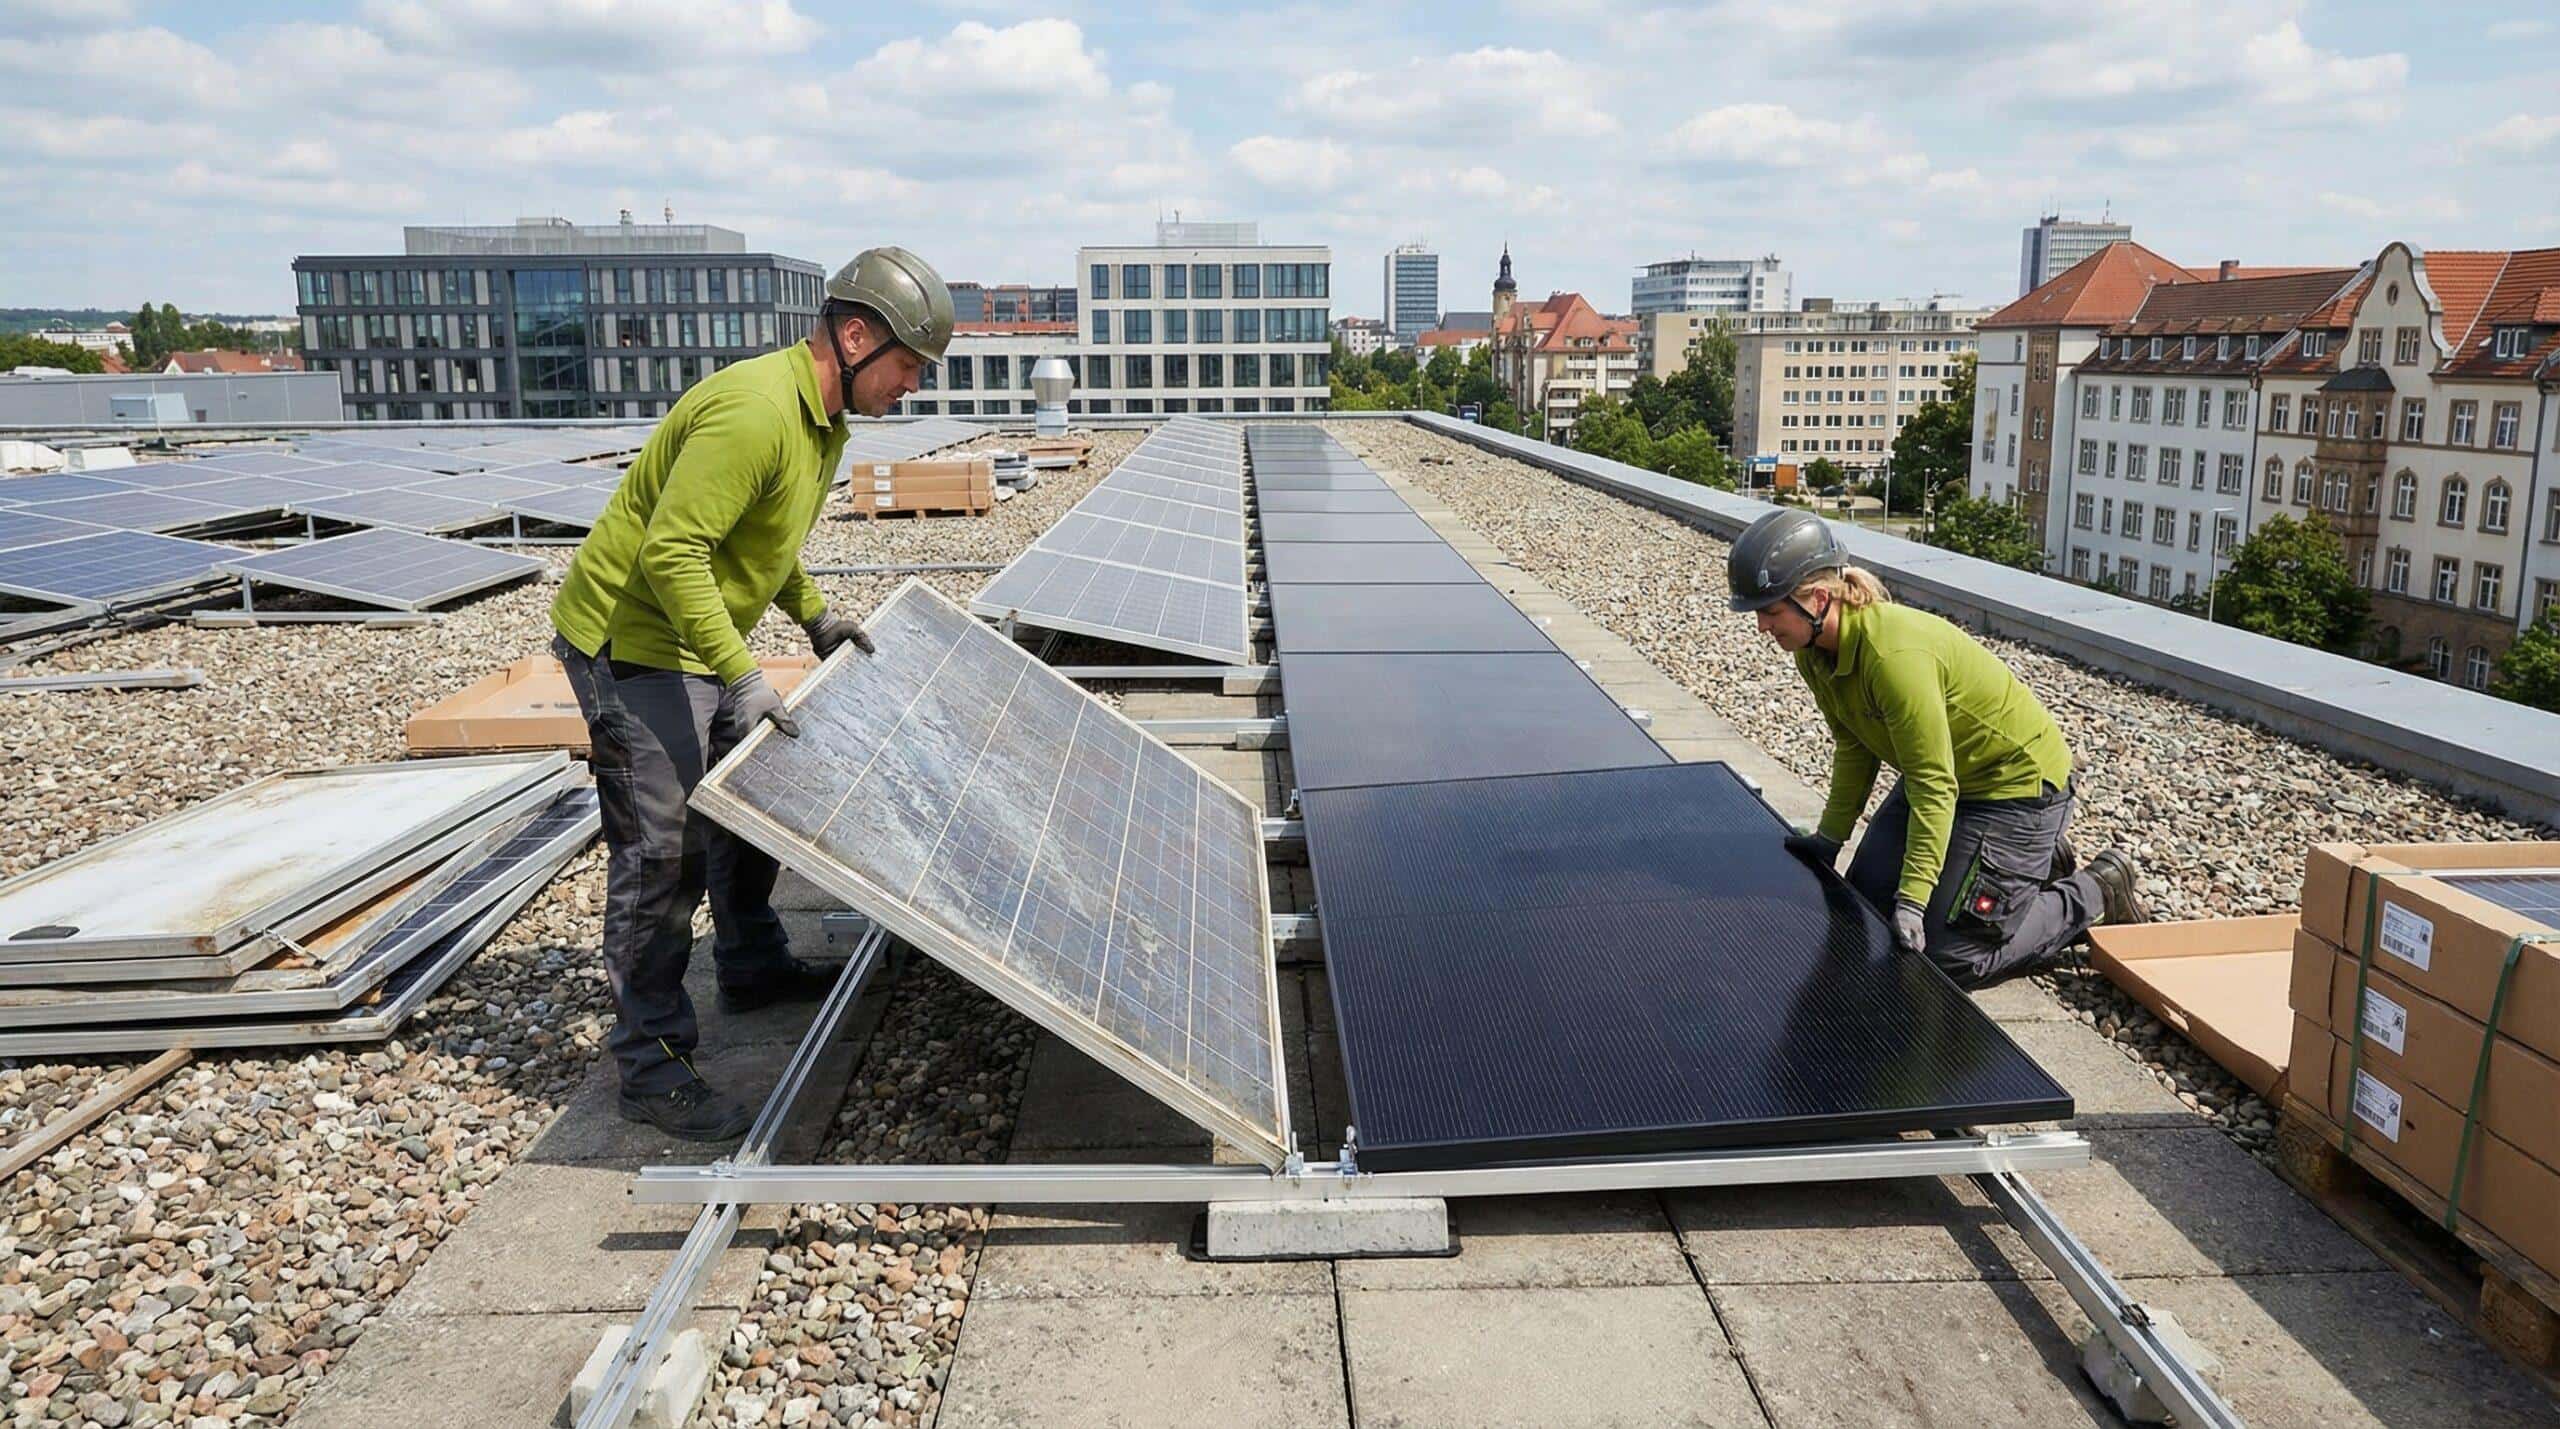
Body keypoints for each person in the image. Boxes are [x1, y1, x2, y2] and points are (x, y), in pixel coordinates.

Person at [548, 247, 954, 1139]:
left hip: (691, 633)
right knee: (665, 852)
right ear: (857, 338)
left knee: (749, 784)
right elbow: (672, 552)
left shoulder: (822, 421)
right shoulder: (757, 412)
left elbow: (760, 543)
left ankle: (749, 962)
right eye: (909, 365)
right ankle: (651, 1065)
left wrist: (815, 616)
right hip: (631, 642)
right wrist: (741, 672)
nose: (912, 387)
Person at [1726, 507, 2148, 988]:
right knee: (1865, 910)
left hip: (2014, 792)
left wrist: (1914, 899)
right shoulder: (1814, 651)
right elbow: (1854, 748)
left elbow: (1933, 783)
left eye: (1770, 611)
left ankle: (2095, 891)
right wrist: (1830, 839)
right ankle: (2029, 866)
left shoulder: (1893, 658)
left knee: (1948, 957)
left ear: (1818, 599)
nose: (1762, 627)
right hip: (1950, 780)